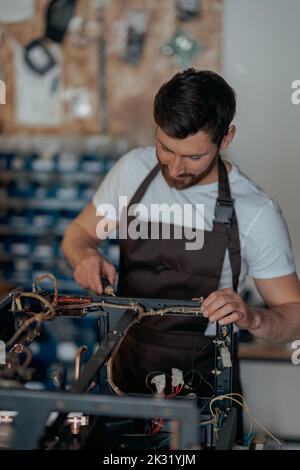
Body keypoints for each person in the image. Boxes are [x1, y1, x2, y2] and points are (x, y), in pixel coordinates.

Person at [61, 69, 300, 435]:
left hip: (205, 395)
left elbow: (293, 315)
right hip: (123, 376)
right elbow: (77, 233)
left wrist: (252, 318)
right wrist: (84, 257)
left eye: (192, 157)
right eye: (165, 148)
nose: (174, 168)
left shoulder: (256, 210)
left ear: (226, 137)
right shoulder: (132, 171)